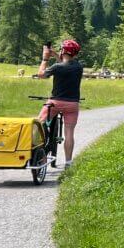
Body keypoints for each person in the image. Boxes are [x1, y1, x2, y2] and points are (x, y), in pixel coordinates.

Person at [37, 39, 83, 167]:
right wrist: (55, 55)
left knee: (39, 124)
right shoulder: (78, 67)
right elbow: (66, 65)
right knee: (69, 133)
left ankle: (41, 154)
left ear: (63, 51)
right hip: (72, 105)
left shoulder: (57, 67)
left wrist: (45, 59)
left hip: (55, 102)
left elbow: (41, 75)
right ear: (75, 54)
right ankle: (68, 162)